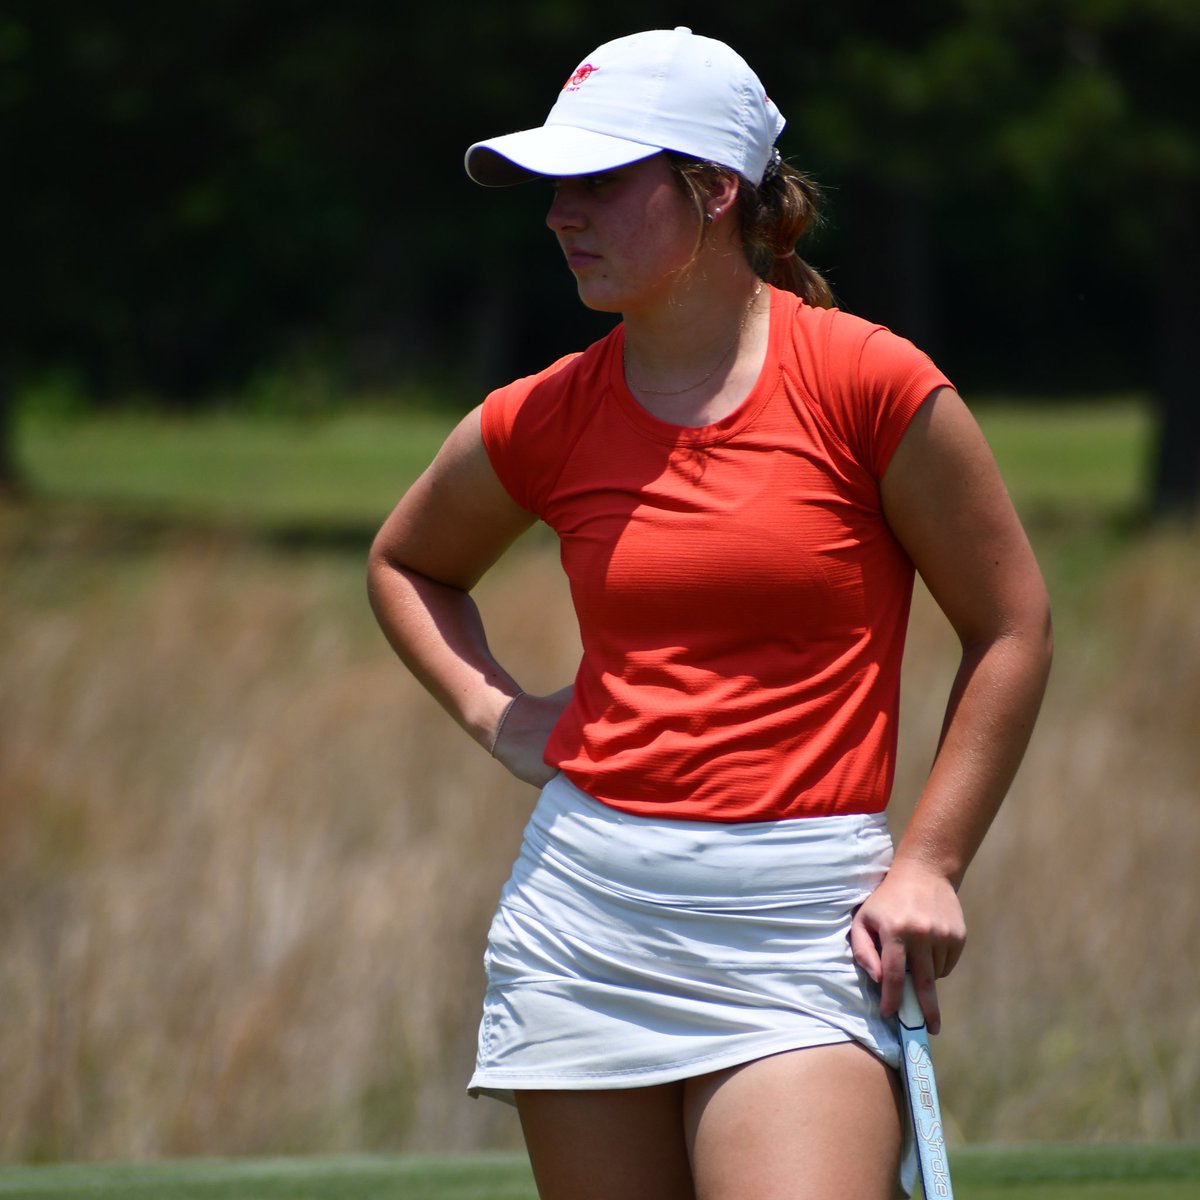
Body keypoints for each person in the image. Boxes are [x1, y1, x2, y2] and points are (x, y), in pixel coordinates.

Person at [367, 27, 1052, 1200]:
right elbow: (406, 563)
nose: (558, 213)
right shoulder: (545, 413)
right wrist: (500, 718)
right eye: (551, 186)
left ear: (714, 188)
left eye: (599, 181)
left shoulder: (869, 384)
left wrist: (932, 861)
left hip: (801, 928)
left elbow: (1012, 627)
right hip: (584, 925)